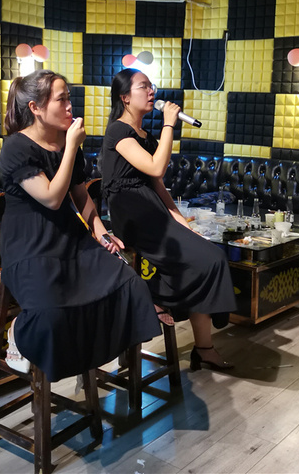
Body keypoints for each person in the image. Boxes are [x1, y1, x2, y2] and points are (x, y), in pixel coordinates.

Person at [0, 69, 161, 381]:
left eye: (69, 98)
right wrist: (71, 146)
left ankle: (90, 360)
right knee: (50, 315)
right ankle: (18, 333)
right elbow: (51, 198)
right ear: (35, 108)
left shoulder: (64, 141)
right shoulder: (17, 147)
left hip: (71, 240)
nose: (70, 106)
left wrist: (101, 232)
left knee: (130, 285)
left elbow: (80, 194)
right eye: (61, 100)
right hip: (30, 246)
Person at [101, 68, 237, 371]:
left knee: (211, 256)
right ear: (125, 97)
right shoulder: (118, 131)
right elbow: (155, 168)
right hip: (133, 215)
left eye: (152, 86)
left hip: (154, 212)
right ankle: (149, 295)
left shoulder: (146, 137)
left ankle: (204, 348)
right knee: (208, 262)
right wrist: (168, 124)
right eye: (143, 87)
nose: (152, 91)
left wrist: (184, 224)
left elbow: (159, 187)